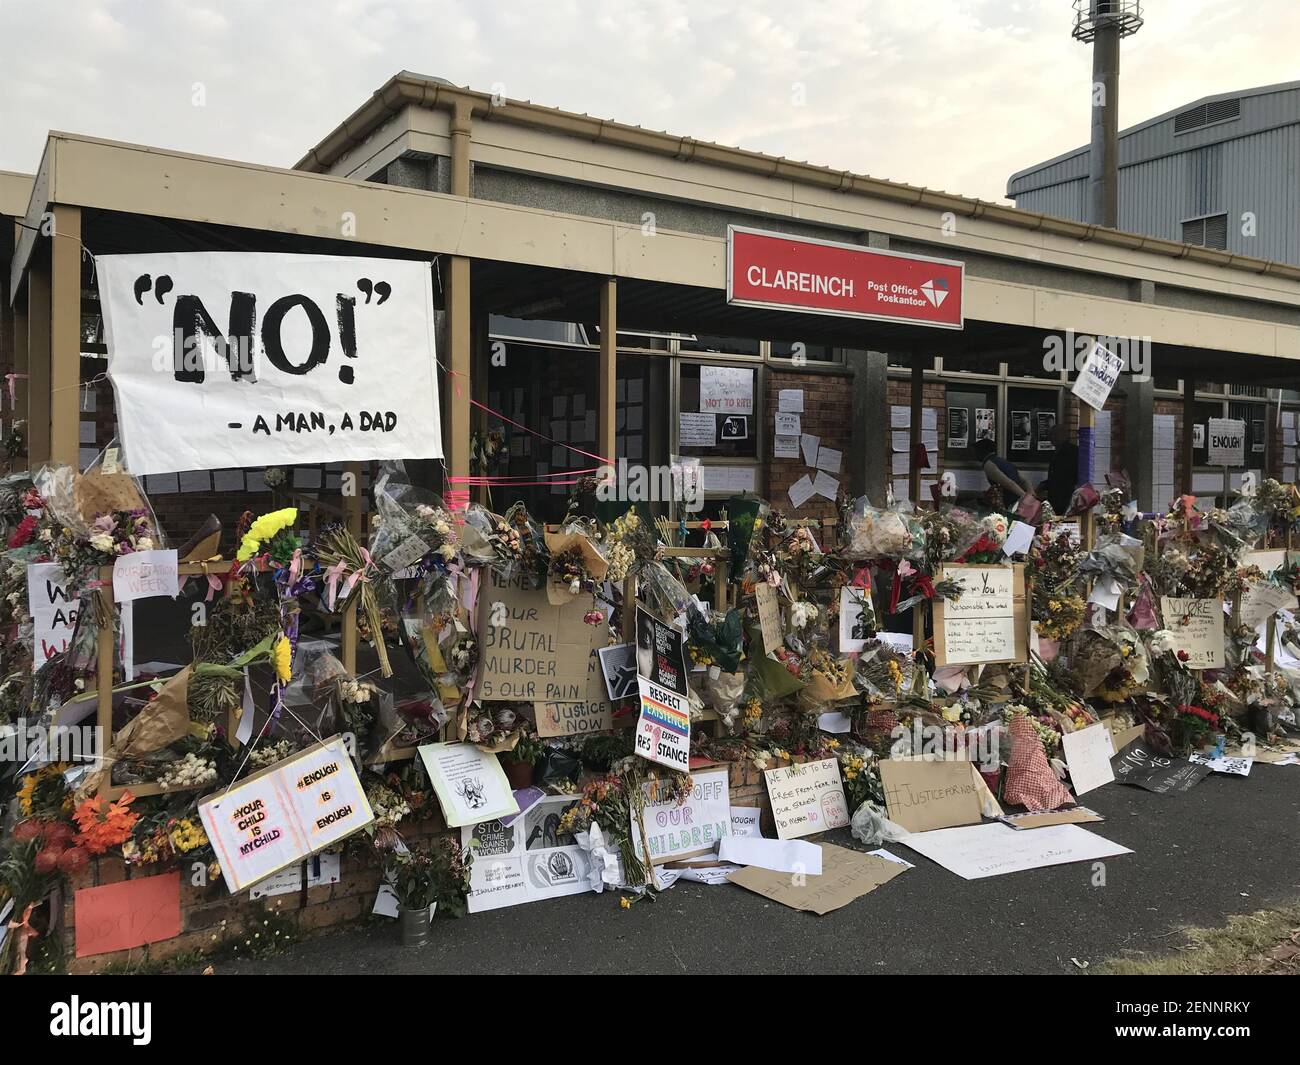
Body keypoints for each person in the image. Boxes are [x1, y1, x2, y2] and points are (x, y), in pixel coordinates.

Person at [973, 438, 1032, 509]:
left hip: (1011, 502)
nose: (974, 455)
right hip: (1017, 499)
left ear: (982, 451)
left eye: (975, 451)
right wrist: (1032, 495)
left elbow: (1009, 483)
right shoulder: (1002, 461)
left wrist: (1026, 499)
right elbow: (1025, 480)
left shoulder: (989, 464)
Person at [1039, 422, 1080, 515]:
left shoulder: (1072, 452)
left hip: (1066, 495)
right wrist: (1043, 486)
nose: (1052, 438)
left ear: (1064, 435)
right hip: (1054, 495)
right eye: (1051, 435)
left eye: (1056, 435)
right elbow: (1054, 476)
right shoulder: (1056, 452)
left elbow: (1067, 475)